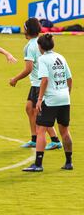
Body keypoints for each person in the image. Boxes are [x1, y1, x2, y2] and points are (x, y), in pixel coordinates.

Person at [9, 18, 62, 150]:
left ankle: (55, 140)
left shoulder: (29, 46)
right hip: (40, 83)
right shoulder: (41, 42)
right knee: (29, 108)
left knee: (40, 113)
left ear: (26, 30)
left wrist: (15, 79)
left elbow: (29, 68)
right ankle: (34, 138)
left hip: (39, 83)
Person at [23, 34, 73, 172]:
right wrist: (67, 94)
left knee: (41, 130)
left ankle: (38, 164)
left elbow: (44, 80)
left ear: (40, 47)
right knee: (65, 131)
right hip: (64, 98)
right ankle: (69, 162)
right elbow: (69, 78)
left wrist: (39, 100)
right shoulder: (60, 57)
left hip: (50, 99)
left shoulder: (43, 59)